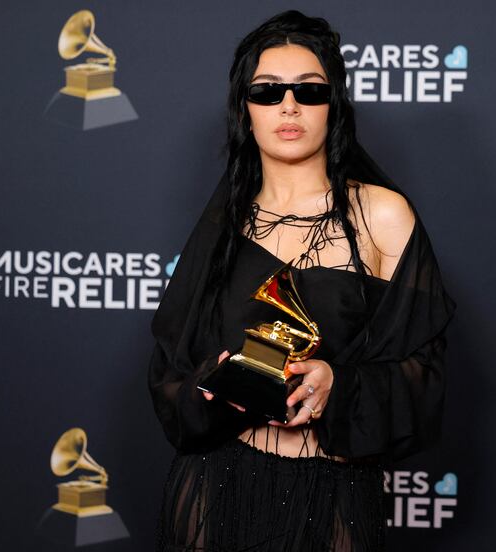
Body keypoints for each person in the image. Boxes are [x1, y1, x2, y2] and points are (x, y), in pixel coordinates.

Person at [148, 10, 455, 552]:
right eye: (267, 92)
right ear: (245, 109)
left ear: (333, 104)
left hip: (331, 487)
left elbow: (423, 376)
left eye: (308, 91)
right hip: (213, 485)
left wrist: (338, 383)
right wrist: (217, 382)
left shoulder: (382, 215)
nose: (288, 105)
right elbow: (169, 372)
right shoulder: (224, 224)